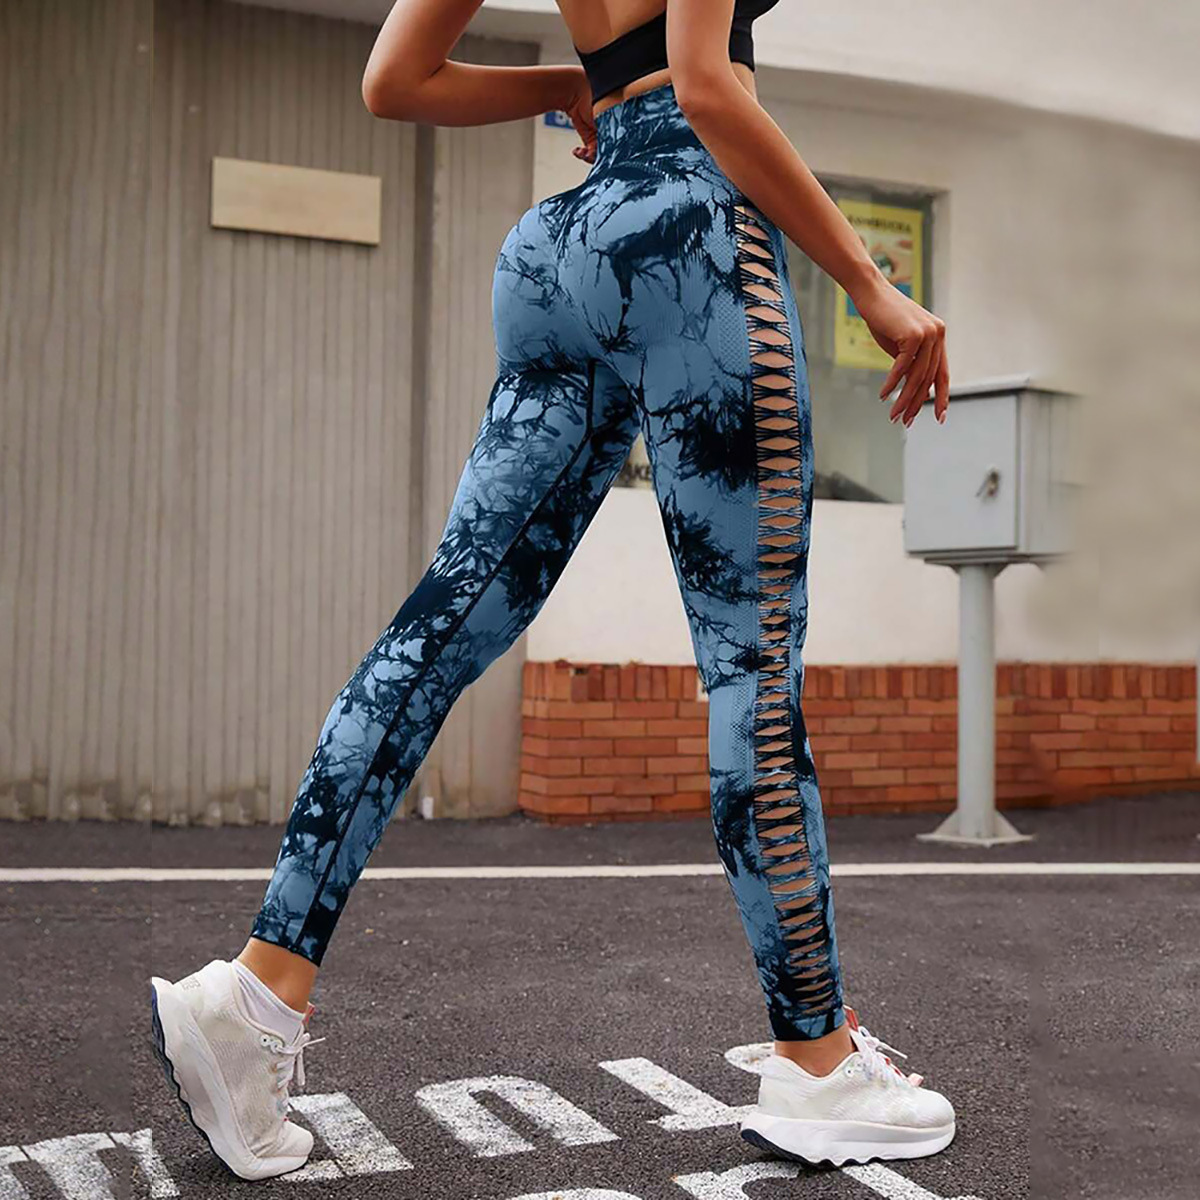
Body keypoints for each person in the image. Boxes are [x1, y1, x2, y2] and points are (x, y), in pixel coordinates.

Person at [149, 0, 954, 1180]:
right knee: (750, 659)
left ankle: (256, 996)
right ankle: (820, 1062)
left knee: (438, 625)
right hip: (691, 230)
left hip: (558, 253)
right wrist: (869, 282)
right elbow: (705, 82)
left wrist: (565, 87)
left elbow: (395, 80)